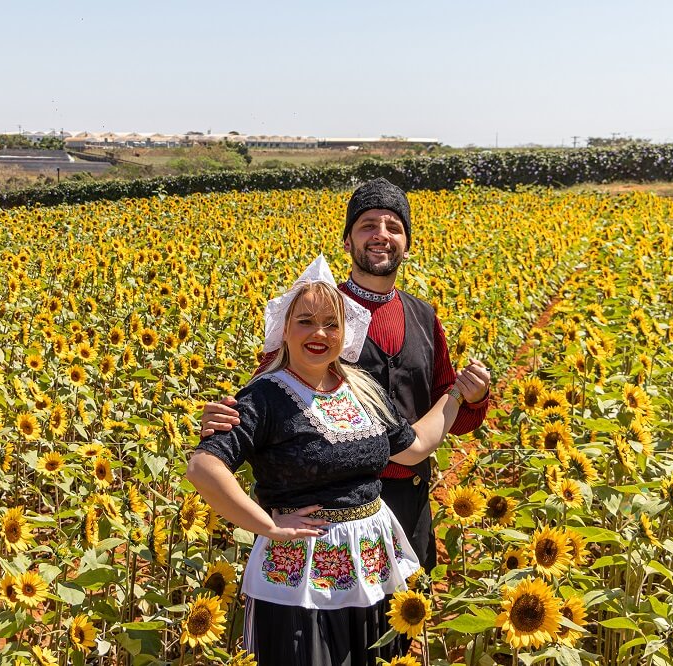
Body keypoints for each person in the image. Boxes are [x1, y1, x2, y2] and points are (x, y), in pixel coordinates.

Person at [201, 178, 491, 573]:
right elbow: (265, 393)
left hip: (407, 499)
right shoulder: (317, 311)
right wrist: (223, 421)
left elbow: (448, 412)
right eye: (368, 225)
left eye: (394, 227)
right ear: (347, 241)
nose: (381, 236)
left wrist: (470, 396)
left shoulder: (423, 316)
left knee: (396, 624)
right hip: (321, 509)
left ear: (407, 245)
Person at [187, 256, 467, 665]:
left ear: (345, 332)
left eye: (331, 324)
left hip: (372, 566)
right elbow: (203, 468)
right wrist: (267, 524)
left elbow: (416, 446)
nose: (319, 333)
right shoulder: (264, 396)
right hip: (301, 575)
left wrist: (457, 393)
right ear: (284, 329)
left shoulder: (361, 389)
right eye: (305, 321)